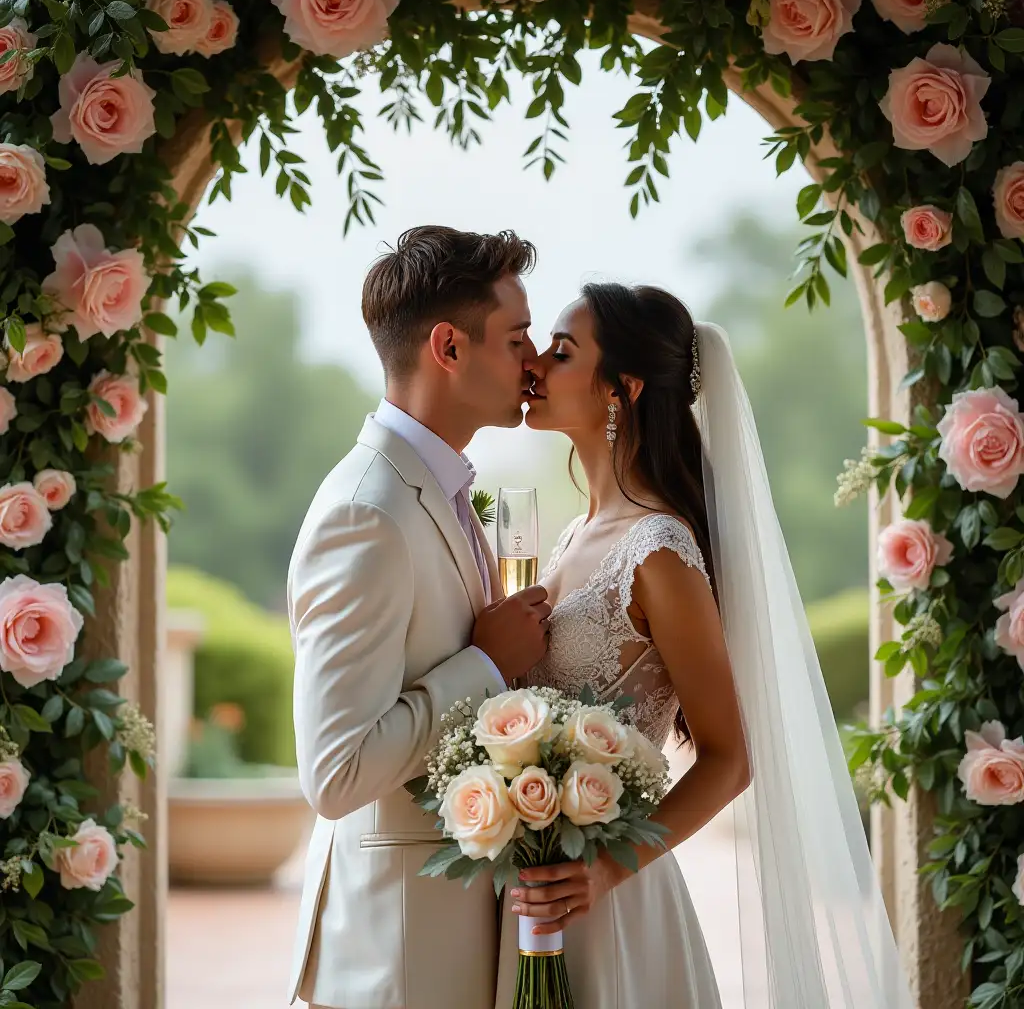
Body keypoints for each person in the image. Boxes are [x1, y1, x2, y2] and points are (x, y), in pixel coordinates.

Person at [497, 283, 915, 1008]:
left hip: (609, 898)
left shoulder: (657, 550)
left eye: (562, 353)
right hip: (536, 894)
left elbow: (730, 758)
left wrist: (606, 870)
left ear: (620, 390)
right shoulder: (571, 533)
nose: (535, 364)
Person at [287, 226, 551, 1009]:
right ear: (448, 347)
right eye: (516, 337)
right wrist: (487, 665)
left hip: (452, 938)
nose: (534, 360)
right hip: (398, 957)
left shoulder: (436, 488)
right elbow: (335, 775)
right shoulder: (365, 514)